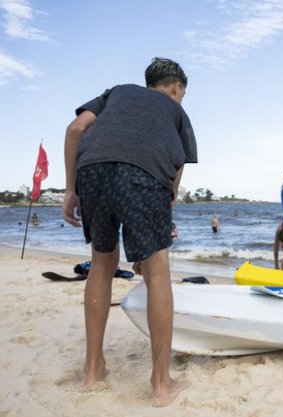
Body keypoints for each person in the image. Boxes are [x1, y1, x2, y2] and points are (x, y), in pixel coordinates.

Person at [62, 57, 197, 406]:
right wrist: (156, 228)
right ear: (176, 88)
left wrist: (71, 189)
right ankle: (161, 384)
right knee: (157, 271)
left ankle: (93, 371)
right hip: (145, 175)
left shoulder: (117, 93)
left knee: (101, 263)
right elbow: (176, 169)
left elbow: (75, 130)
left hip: (92, 169)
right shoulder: (176, 112)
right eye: (182, 94)